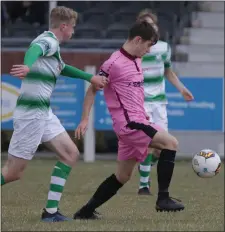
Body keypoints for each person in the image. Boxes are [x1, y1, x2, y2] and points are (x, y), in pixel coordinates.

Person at [1, 6, 107, 222]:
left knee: (70, 154)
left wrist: (90, 78)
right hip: (31, 114)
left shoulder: (54, 49)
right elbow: (35, 50)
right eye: (73, 28)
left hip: (43, 113)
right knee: (13, 172)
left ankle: (50, 213)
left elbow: (62, 67)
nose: (74, 32)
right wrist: (28, 67)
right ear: (64, 26)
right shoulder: (47, 41)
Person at [73, 20, 184, 220]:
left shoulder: (136, 60)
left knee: (122, 176)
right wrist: (84, 120)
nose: (149, 51)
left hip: (137, 122)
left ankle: (85, 211)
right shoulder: (113, 63)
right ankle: (163, 199)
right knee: (171, 143)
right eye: (149, 45)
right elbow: (92, 90)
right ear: (138, 40)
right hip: (130, 124)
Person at [136, 9, 194, 195]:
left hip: (160, 104)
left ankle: (144, 165)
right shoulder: (135, 49)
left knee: (162, 147)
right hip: (142, 103)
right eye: (146, 25)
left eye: (153, 25)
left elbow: (168, 71)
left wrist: (182, 89)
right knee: (147, 143)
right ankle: (144, 185)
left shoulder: (164, 48)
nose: (151, 28)